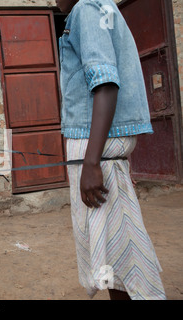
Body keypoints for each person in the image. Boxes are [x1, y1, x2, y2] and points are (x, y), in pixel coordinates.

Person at [56, 0, 166, 300]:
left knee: (122, 257)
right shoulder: (103, 8)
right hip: (103, 149)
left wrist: (92, 162)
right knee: (116, 253)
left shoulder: (87, 10)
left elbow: (105, 83)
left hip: (97, 150)